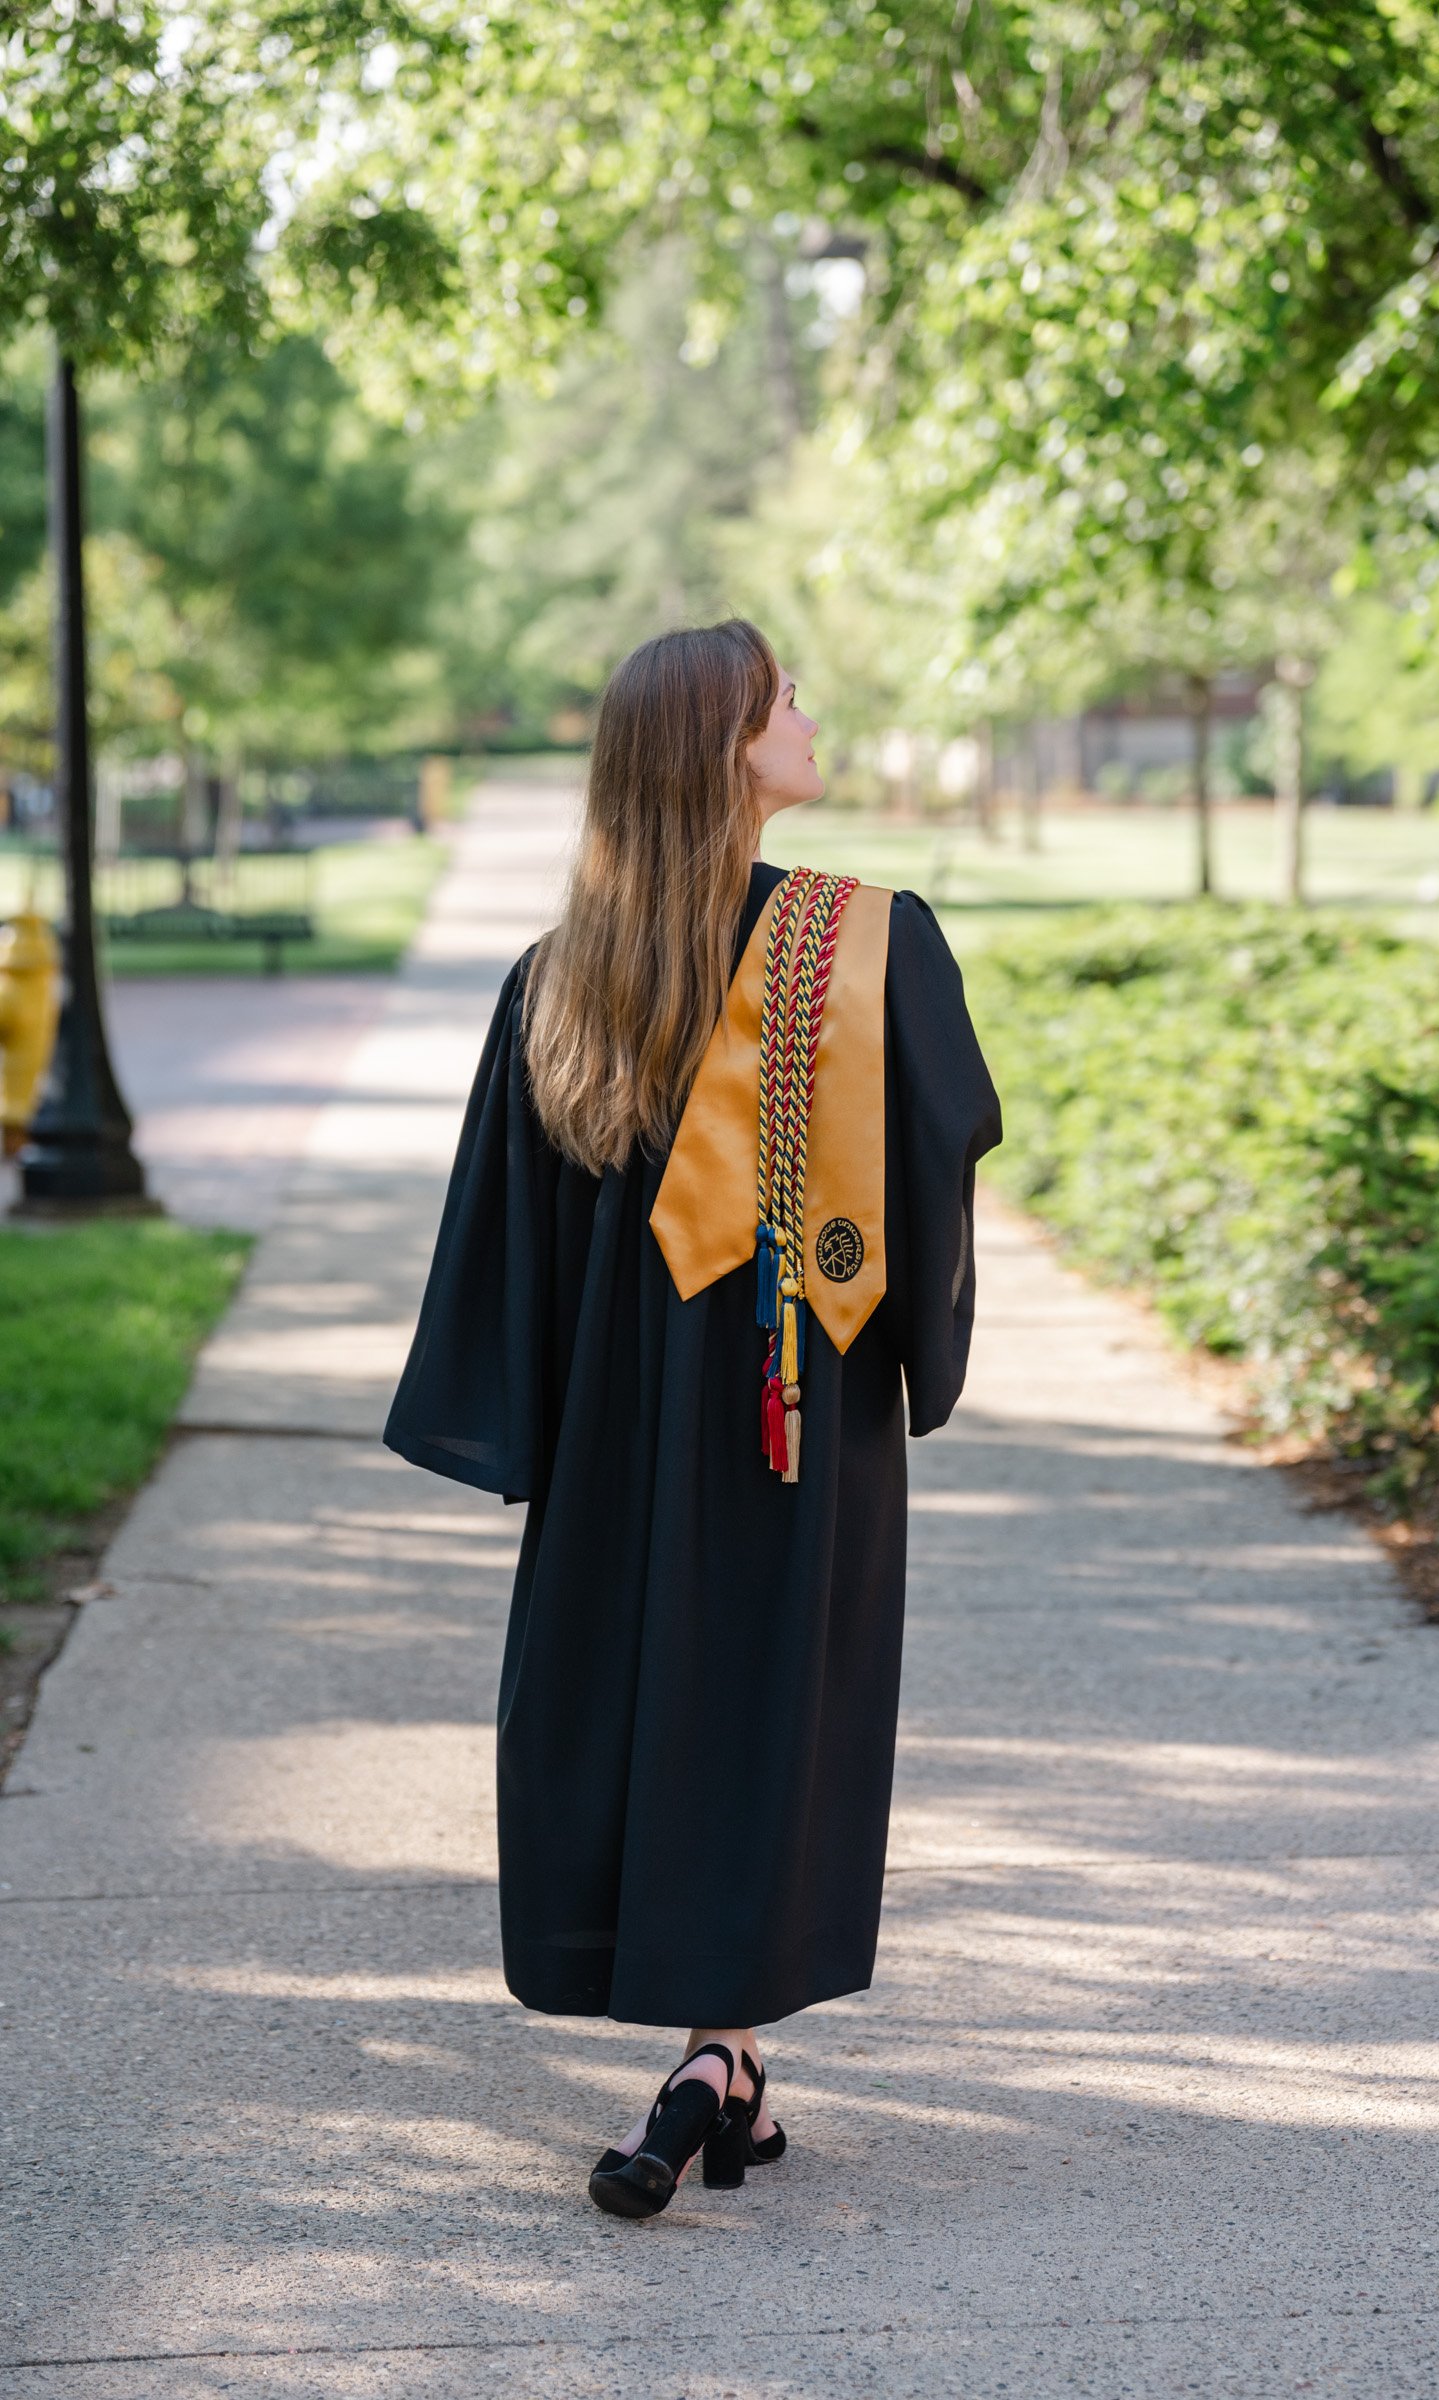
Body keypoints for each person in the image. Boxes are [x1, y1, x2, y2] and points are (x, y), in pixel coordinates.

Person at [385, 620, 1001, 2218]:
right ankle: (718, 2060)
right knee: (763, 1711)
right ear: (723, 751)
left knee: (640, 1700)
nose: (811, 713)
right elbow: (938, 1172)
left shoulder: (559, 981)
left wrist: (531, 1437)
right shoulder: (871, 945)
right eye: (783, 697)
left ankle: (717, 2061)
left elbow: (497, 1249)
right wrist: (920, 1357)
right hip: (794, 1427)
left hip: (613, 1443)